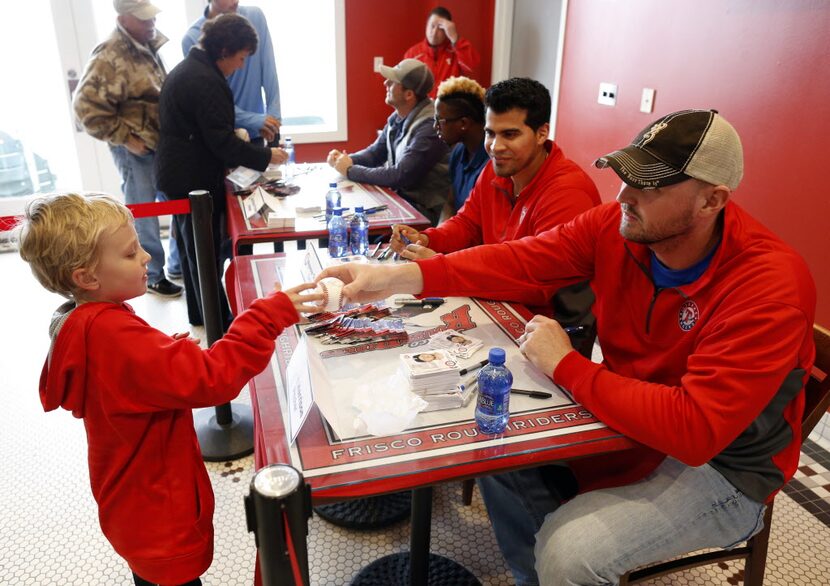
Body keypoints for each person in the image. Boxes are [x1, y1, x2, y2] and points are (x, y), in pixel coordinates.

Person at [319, 109, 817, 585]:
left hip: (725, 466)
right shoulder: (620, 227)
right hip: (633, 415)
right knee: (490, 440)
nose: (624, 194)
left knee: (569, 551)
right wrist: (398, 278)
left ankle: (553, 561)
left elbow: (695, 430)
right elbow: (521, 260)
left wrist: (568, 366)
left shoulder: (769, 285)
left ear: (712, 200)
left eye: (650, 184)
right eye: (627, 176)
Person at [16, 193, 322, 586]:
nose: (146, 256)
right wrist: (268, 314)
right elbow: (215, 377)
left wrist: (165, 354)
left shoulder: (85, 321)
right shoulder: (115, 336)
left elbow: (127, 376)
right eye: (130, 254)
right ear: (86, 277)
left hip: (131, 507)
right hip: (158, 512)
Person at [390, 77, 600, 353]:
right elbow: (467, 223)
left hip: (550, 331)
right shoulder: (496, 169)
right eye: (491, 133)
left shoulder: (569, 192)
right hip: (499, 307)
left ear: (541, 133)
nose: (495, 146)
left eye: (510, 134)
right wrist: (430, 240)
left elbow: (535, 281)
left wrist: (443, 266)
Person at [156, 13, 288, 329]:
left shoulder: (189, 69)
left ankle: (200, 313)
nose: (241, 66)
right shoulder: (204, 80)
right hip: (194, 179)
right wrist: (265, 155)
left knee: (192, 255)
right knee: (206, 255)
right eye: (241, 58)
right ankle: (218, 322)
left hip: (179, 175)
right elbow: (221, 142)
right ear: (225, 50)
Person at [73, 0, 182, 297]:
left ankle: (173, 265)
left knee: (175, 204)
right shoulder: (110, 53)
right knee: (143, 211)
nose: (151, 24)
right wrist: (126, 138)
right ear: (124, 18)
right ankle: (153, 275)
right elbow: (85, 107)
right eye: (143, 19)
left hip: (159, 145)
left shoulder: (144, 43)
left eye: (151, 18)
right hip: (137, 149)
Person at [327, 58, 450, 226]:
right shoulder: (397, 117)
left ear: (409, 94)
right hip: (401, 203)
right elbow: (375, 153)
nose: (386, 83)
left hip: (423, 215)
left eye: (393, 82)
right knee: (348, 223)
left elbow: (400, 175)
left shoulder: (429, 127)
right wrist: (344, 160)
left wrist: (349, 170)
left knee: (351, 228)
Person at [182, 0, 281, 143]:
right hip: (224, 134)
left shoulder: (255, 16)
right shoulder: (191, 38)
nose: (235, 1)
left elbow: (269, 70)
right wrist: (254, 120)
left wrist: (273, 119)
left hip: (261, 130)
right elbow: (209, 98)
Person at [433, 76, 488, 213]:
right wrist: (438, 233)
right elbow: (450, 204)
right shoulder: (458, 152)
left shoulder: (491, 164)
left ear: (463, 123)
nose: (435, 126)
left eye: (440, 120)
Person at [404, 6, 480, 98]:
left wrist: (455, 38)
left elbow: (471, 67)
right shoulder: (413, 53)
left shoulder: (456, 51)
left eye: (440, 28)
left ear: (447, 30)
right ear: (426, 26)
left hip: (450, 107)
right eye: (432, 26)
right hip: (423, 108)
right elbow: (405, 86)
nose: (434, 32)